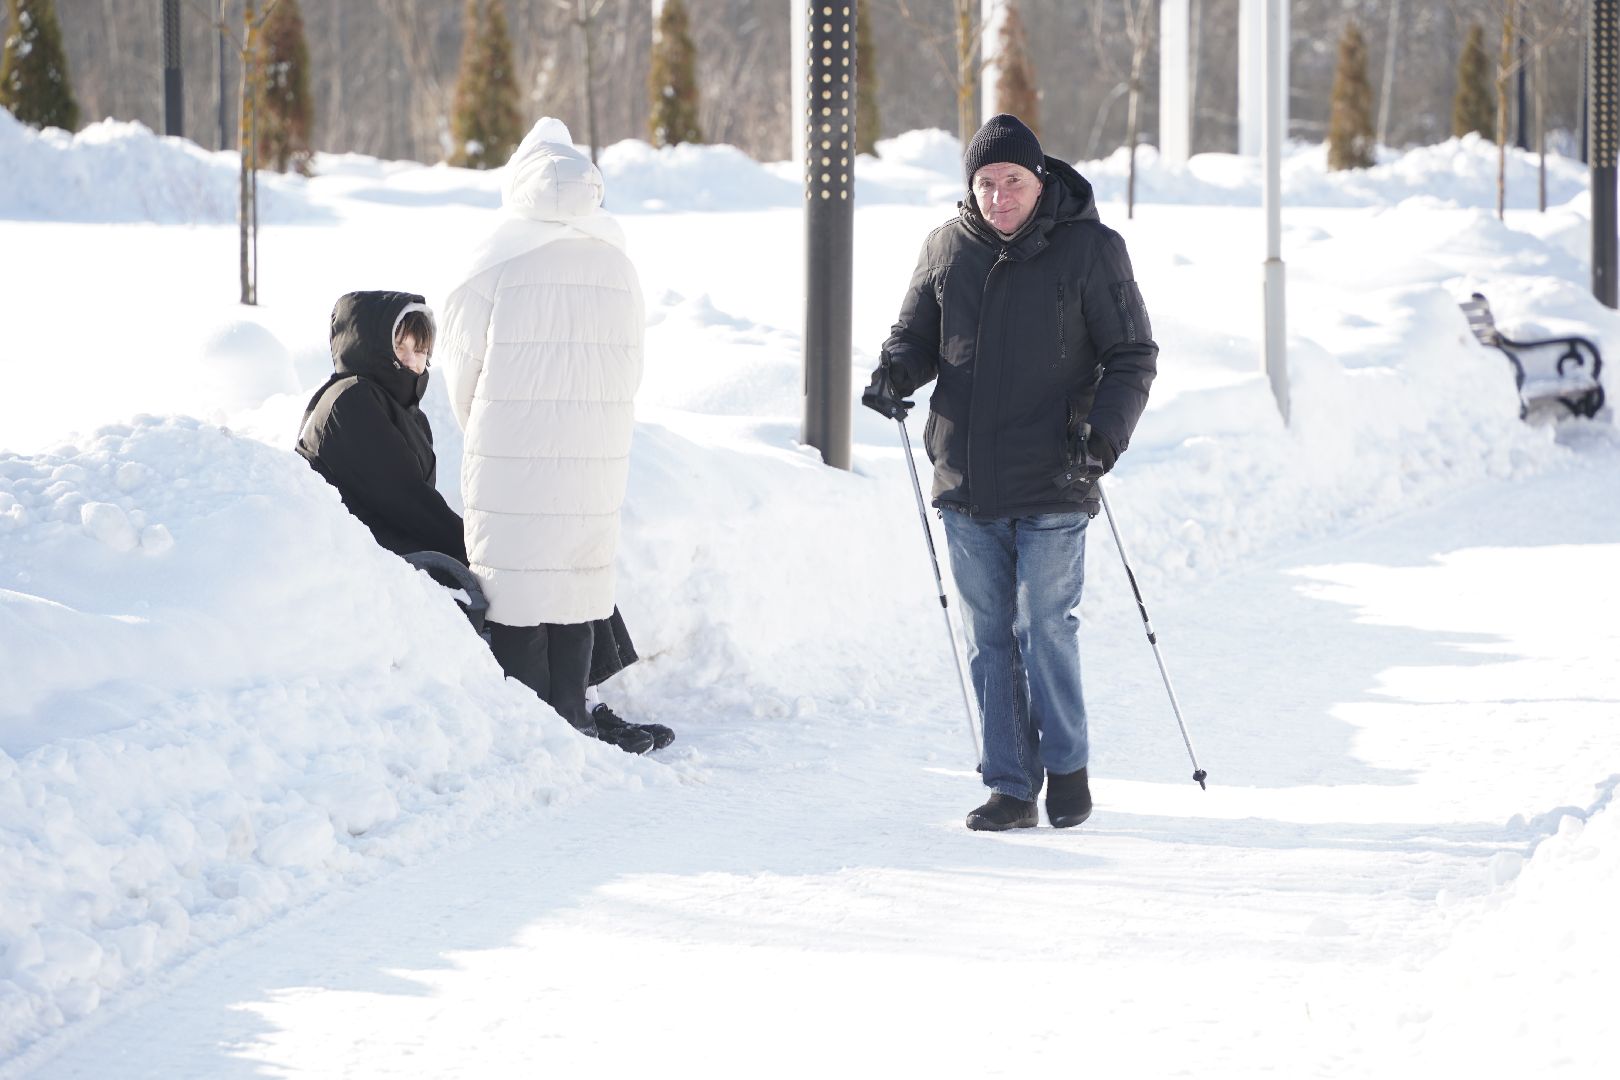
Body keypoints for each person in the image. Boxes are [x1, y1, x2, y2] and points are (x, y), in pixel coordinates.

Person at [862, 114, 1158, 832]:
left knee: (1045, 625)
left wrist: (1104, 437)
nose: (999, 197)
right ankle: (1010, 785)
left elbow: (1132, 354)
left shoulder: (1090, 249)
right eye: (986, 183)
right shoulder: (944, 248)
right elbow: (916, 336)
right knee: (989, 633)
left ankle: (1067, 766)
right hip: (966, 477)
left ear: (1039, 180)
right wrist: (896, 371)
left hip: (1058, 470)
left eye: (1013, 182)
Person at [296, 289, 668, 754]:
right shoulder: (352, 403)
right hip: (382, 556)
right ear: (369, 346)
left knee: (556, 557)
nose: (414, 360)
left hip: (405, 539)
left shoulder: (394, 405)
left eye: (421, 348)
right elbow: (403, 500)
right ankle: (564, 711)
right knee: (525, 565)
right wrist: (484, 545)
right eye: (402, 347)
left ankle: (581, 703)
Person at [437, 117, 672, 756]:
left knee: (513, 583)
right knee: (577, 579)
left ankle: (530, 722)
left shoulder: (490, 258)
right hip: (597, 453)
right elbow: (633, 366)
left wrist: (484, 428)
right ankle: (573, 710)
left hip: (510, 451)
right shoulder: (616, 257)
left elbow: (462, 371)